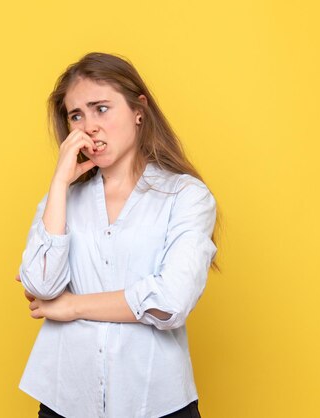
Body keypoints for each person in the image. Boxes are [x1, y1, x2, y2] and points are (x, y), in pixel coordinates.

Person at [16, 52, 218, 418]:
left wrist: (73, 306)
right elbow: (42, 285)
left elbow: (170, 301)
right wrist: (60, 182)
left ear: (139, 111)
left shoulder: (186, 197)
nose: (88, 126)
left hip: (155, 401)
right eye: (76, 115)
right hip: (66, 399)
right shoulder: (60, 201)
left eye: (101, 108)